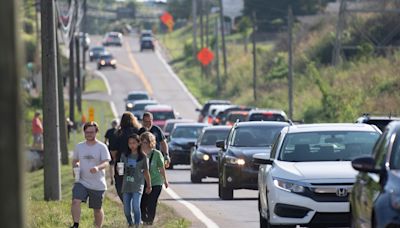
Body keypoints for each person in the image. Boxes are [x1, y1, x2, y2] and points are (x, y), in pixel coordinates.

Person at [70, 122, 111, 228]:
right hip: (82, 181)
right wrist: (75, 167)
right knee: (75, 201)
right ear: (84, 132)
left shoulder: (102, 147)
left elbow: (106, 162)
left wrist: (97, 168)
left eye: (91, 132)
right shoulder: (79, 146)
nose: (89, 134)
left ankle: (98, 226)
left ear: (96, 132)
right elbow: (75, 160)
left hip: (97, 184)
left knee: (97, 209)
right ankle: (75, 224)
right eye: (87, 132)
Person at [120, 134, 152, 227]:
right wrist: (120, 171)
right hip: (126, 185)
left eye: (134, 143)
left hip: (138, 185)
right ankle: (130, 223)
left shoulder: (143, 157)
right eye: (130, 143)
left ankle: (137, 224)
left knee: (136, 206)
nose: (132, 145)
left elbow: (146, 172)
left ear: (138, 143)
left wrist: (149, 185)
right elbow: (120, 169)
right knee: (126, 210)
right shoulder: (124, 155)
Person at [110, 112, 141, 202]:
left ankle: (125, 200)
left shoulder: (118, 133)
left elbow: (113, 151)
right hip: (136, 160)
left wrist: (116, 158)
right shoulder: (137, 131)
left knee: (120, 181)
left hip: (120, 163)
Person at [140, 132, 169, 225]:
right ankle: (144, 219)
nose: (143, 144)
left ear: (150, 143)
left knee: (152, 202)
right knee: (142, 203)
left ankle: (149, 221)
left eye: (145, 142)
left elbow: (161, 168)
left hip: (156, 182)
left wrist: (165, 180)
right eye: (142, 142)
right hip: (142, 182)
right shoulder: (138, 154)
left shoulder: (157, 154)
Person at [104, 119, 118, 185]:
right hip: (117, 150)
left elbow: (105, 141)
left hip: (111, 149)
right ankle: (115, 177)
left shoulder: (109, 131)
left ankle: (112, 178)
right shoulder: (118, 131)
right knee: (116, 164)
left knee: (111, 165)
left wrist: (106, 146)